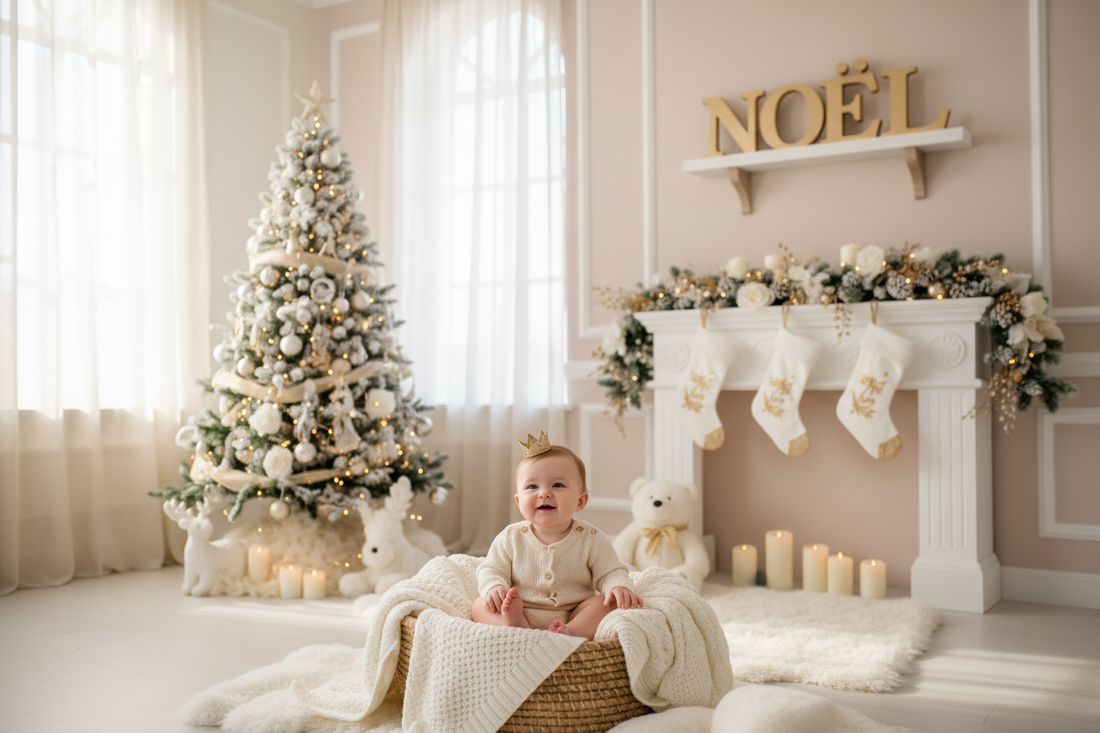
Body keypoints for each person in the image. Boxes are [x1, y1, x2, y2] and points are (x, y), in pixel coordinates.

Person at [472, 431, 643, 640]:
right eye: (532, 486)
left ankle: (569, 633)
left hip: (573, 614)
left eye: (558, 485)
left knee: (606, 604)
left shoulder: (590, 538)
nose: (544, 493)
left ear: (580, 501)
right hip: (520, 608)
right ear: (519, 502)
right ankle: (518, 627)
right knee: (479, 606)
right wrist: (495, 587)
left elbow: (610, 571)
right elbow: (490, 568)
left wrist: (618, 586)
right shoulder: (511, 537)